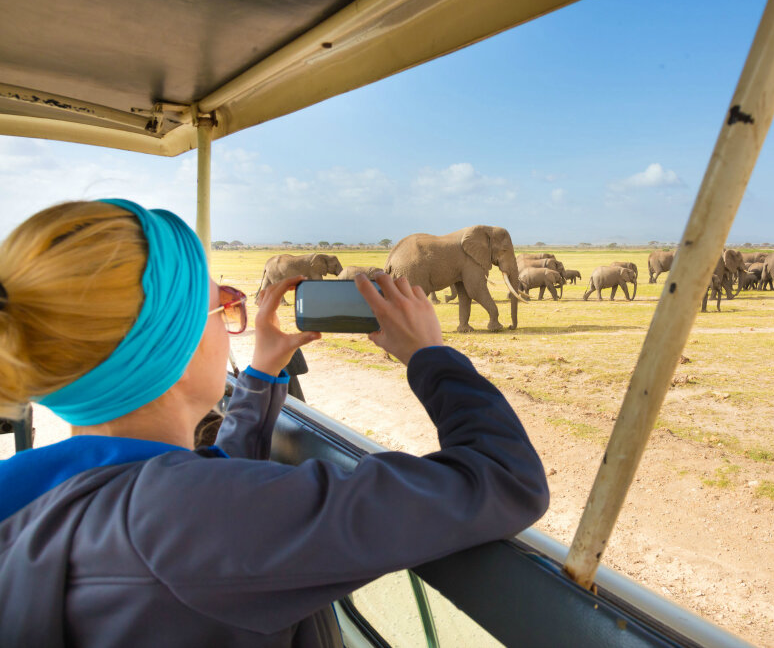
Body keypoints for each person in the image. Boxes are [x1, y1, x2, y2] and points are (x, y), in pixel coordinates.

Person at [0, 199, 548, 646]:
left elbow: (203, 493)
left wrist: (261, 373)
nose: (233, 323)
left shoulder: (27, 493)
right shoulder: (207, 518)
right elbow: (507, 478)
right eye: (223, 307)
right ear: (176, 345)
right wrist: (431, 357)